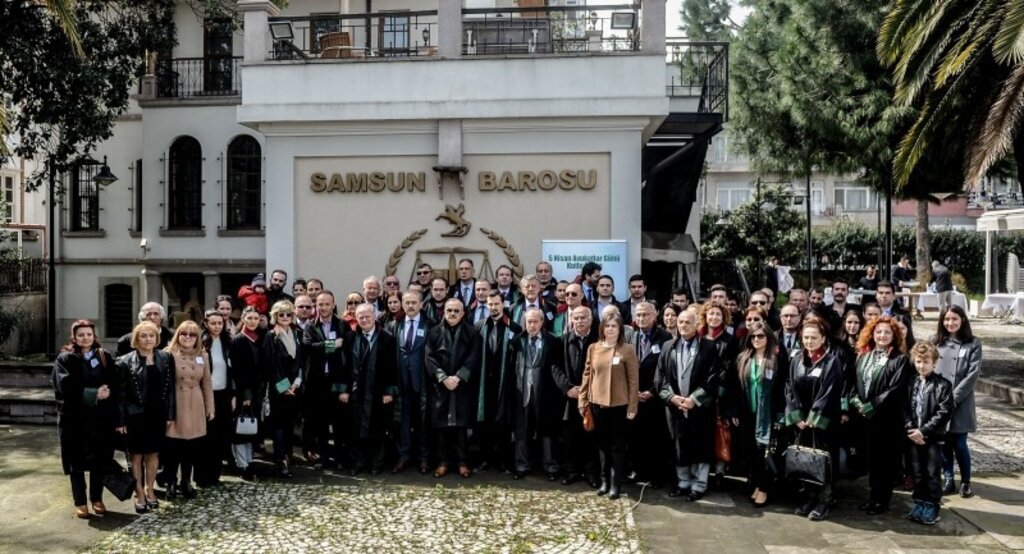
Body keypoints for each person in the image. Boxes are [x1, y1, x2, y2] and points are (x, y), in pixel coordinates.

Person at [52, 320, 117, 518]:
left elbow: (114, 378)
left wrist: (108, 391)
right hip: (75, 419)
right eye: (80, 335)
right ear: (74, 337)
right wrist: (93, 393)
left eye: (89, 334)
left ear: (94, 335)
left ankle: (97, 498)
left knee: (99, 459)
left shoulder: (103, 356)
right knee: (76, 462)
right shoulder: (65, 358)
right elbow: (65, 386)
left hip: (100, 418)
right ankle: (80, 502)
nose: (85, 338)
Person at [656, 306, 720, 502]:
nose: (683, 325)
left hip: (698, 407)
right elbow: (660, 377)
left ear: (697, 324)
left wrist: (694, 399)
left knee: (700, 444)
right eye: (681, 322)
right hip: (675, 406)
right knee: (679, 445)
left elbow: (713, 377)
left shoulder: (708, 347)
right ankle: (683, 483)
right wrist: (671, 397)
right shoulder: (668, 346)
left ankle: (699, 485)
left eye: (688, 322)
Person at [784, 315, 844, 521]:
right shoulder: (796, 361)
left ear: (823, 338)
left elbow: (829, 392)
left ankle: (824, 500)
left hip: (823, 422)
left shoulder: (831, 362)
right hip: (801, 422)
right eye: (806, 337)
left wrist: (813, 418)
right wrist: (797, 416)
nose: (809, 341)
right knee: (806, 460)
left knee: (823, 460)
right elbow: (789, 388)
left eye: (813, 337)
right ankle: (809, 497)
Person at [848, 316, 910, 515]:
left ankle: (882, 501)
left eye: (887, 332)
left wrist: (871, 406)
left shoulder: (899, 359)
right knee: (872, 461)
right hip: (865, 420)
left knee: (885, 462)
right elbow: (854, 383)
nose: (882, 335)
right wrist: (857, 402)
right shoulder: (863, 356)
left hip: (887, 420)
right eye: (878, 332)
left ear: (894, 335)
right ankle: (872, 497)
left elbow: (894, 390)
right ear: (872, 334)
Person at [115, 321, 174, 513]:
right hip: (135, 415)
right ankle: (138, 492)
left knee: (153, 453)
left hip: (158, 414)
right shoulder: (124, 361)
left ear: (157, 338)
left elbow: (170, 390)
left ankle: (150, 489)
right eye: (143, 336)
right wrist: (120, 420)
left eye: (151, 335)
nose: (148, 339)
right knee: (136, 455)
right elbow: (120, 394)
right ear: (136, 338)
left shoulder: (165, 357)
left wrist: (170, 414)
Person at [579, 312, 639, 500]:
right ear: (602, 328)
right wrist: (582, 399)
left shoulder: (627, 350)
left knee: (617, 446)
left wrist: (633, 406)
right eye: (607, 326)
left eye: (614, 326)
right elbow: (587, 375)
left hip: (619, 404)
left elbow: (633, 381)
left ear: (620, 329)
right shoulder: (593, 348)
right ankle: (604, 480)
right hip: (597, 403)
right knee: (602, 445)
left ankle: (615, 483)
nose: (610, 329)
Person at [728, 320, 787, 507]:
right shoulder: (743, 358)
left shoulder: (776, 359)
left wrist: (780, 416)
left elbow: (782, 390)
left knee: (764, 453)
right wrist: (734, 410)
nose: (756, 339)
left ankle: (764, 489)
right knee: (751, 451)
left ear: (768, 337)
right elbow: (735, 387)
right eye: (753, 336)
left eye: (760, 336)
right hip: (747, 413)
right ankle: (757, 484)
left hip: (767, 414)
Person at [426, 298, 481, 478]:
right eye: (449, 310)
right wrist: (443, 378)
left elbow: (474, 356)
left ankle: (462, 462)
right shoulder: (434, 332)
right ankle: (443, 462)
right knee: (442, 426)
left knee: (461, 426)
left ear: (463, 313)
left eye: (456, 311)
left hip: (462, 385)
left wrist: (458, 377)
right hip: (441, 385)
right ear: (444, 312)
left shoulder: (472, 332)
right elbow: (429, 357)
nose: (452, 314)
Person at [342, 304, 398, 476]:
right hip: (356, 391)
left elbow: (393, 367)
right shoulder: (350, 337)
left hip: (377, 391)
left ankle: (376, 463)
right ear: (356, 319)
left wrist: (389, 392)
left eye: (368, 316)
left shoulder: (387, 338)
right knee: (355, 427)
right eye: (361, 317)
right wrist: (343, 390)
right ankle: (358, 462)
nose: (364, 320)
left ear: (374, 317)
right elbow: (343, 365)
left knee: (378, 427)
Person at [509, 308, 564, 481]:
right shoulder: (517, 341)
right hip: (523, 391)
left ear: (542, 322)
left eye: (535, 321)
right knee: (522, 429)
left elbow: (557, 367)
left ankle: (551, 466)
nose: (532, 325)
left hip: (545, 392)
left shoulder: (553, 341)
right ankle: (521, 465)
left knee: (547, 430)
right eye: (529, 322)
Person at [933, 305, 982, 498]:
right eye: (947, 319)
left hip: (961, 402)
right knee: (944, 444)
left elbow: (972, 374)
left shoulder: (973, 343)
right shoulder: (936, 341)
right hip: (939, 401)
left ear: (962, 320)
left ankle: (966, 481)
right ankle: (948, 479)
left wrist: (954, 397)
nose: (950, 323)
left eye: (954, 319)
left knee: (960, 443)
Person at [163, 320, 215, 500]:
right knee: (173, 446)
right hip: (176, 402)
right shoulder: (168, 354)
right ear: (177, 335)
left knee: (191, 446)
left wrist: (210, 407)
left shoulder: (203, 355)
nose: (187, 337)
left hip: (196, 403)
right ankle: (170, 481)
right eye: (183, 333)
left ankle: (186, 481)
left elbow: (207, 382)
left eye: (192, 334)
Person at [905, 342, 954, 525]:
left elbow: (944, 412)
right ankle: (919, 502)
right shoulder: (911, 382)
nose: (921, 366)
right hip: (913, 437)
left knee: (932, 473)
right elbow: (905, 408)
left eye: (926, 362)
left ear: (934, 363)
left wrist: (923, 431)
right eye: (918, 361)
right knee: (917, 472)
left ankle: (932, 505)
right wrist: (911, 428)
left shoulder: (943, 385)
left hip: (933, 438)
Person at [299, 290, 349, 470]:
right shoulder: (310, 326)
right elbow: (308, 348)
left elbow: (347, 352)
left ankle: (341, 458)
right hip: (317, 382)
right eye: (320, 304)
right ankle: (323, 457)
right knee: (320, 422)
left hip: (337, 380)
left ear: (333, 305)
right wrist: (332, 345)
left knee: (339, 423)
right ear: (316, 306)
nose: (324, 307)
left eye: (327, 304)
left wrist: (345, 387)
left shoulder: (342, 325)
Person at [553, 306, 600, 488]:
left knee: (591, 436)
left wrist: (588, 390)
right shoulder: (562, 341)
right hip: (569, 398)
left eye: (583, 318)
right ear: (571, 320)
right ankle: (571, 471)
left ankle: (591, 473)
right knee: (569, 437)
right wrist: (568, 388)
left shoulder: (598, 341)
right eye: (576, 318)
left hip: (592, 397)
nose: (579, 321)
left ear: (590, 320)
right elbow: (555, 368)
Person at [472, 290, 519, 473]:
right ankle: (485, 459)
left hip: (505, 383)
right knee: (484, 423)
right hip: (483, 383)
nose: (493, 307)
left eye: (496, 304)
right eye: (490, 304)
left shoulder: (513, 328)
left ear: (503, 304)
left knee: (503, 423)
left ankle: (503, 461)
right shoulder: (478, 327)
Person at [630, 302, 674, 488]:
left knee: (656, 437)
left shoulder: (665, 337)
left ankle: (657, 475)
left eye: (645, 314)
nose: (641, 318)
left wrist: (652, 392)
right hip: (634, 395)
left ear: (655, 315)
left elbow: (666, 369)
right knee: (636, 436)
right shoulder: (631, 336)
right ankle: (639, 470)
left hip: (655, 395)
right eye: (638, 315)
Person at [388, 291, 433, 475]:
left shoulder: (430, 325)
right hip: (402, 382)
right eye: (407, 302)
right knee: (403, 422)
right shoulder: (395, 325)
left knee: (423, 421)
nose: (410, 306)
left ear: (421, 304)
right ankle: (403, 456)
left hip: (423, 381)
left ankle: (424, 458)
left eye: (414, 302)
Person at [263, 301, 302, 478]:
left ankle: (287, 456)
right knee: (279, 427)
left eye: (288, 314)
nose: (285, 317)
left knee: (289, 425)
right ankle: (280, 462)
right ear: (275, 316)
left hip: (294, 388)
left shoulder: (296, 334)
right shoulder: (271, 336)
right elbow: (271, 366)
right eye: (281, 314)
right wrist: (284, 387)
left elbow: (300, 360)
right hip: (279, 390)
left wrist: (297, 383)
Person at [197, 309, 232, 488]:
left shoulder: (227, 342)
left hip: (224, 394)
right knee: (205, 437)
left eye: (220, 323)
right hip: (205, 395)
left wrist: (233, 395)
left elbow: (233, 370)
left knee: (220, 437)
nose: (217, 326)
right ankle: (202, 477)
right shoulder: (201, 343)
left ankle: (215, 475)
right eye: (213, 323)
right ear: (206, 324)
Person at [228, 307, 263, 481]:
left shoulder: (258, 338)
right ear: (243, 318)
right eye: (249, 318)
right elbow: (238, 371)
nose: (252, 321)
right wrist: (246, 395)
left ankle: (249, 461)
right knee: (240, 429)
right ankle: (242, 464)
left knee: (250, 428)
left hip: (256, 391)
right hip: (243, 391)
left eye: (256, 318)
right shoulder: (238, 340)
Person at [875, 281, 915, 347]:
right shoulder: (870, 313)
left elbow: (909, 338)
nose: (884, 296)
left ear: (894, 296)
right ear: (876, 295)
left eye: (887, 293)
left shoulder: (903, 314)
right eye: (881, 293)